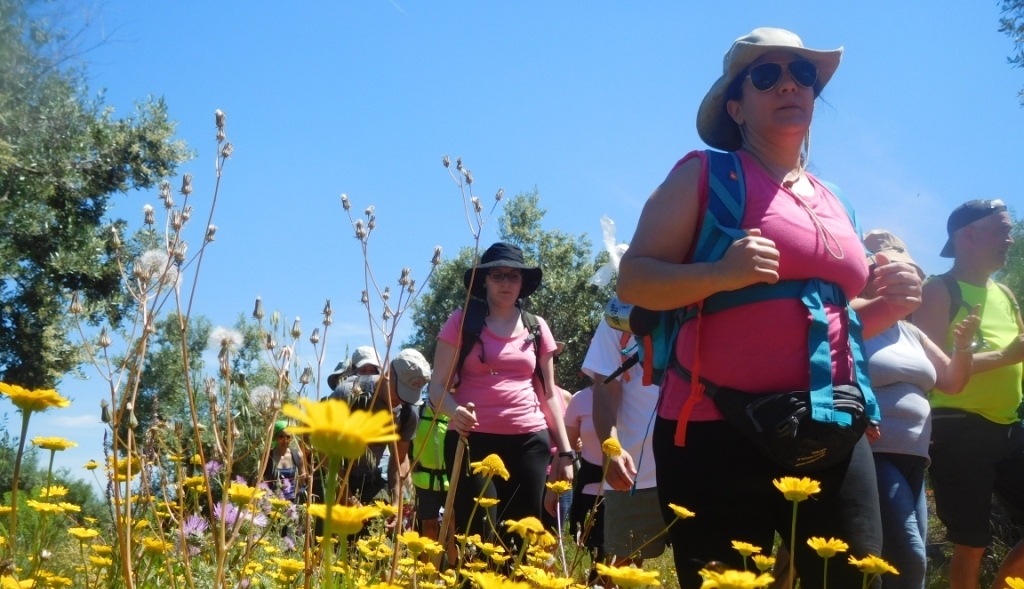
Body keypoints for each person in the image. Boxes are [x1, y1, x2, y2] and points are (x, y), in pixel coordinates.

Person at [616, 28, 922, 589]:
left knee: (853, 580)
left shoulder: (839, 201)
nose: (789, 84)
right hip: (713, 430)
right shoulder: (704, 174)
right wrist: (717, 273)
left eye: (802, 75)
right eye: (766, 75)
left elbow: (828, 320)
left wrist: (887, 305)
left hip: (832, 424)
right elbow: (634, 278)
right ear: (736, 106)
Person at [427, 242, 575, 546]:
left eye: (513, 276)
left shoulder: (537, 327)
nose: (506, 283)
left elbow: (549, 394)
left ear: (523, 283)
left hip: (529, 441)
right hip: (471, 440)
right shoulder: (462, 321)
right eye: (498, 275)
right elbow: (436, 388)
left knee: (521, 535)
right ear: (484, 280)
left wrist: (566, 452)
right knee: (476, 535)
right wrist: (455, 412)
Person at [912, 199, 1024, 589]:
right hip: (957, 429)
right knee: (970, 543)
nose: (1010, 240)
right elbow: (929, 369)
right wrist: (1006, 355)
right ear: (968, 236)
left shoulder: (1006, 294)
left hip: (1010, 425)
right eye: (1002, 230)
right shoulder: (938, 290)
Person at [860, 230, 978, 589]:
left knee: (902, 556)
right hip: (874, 451)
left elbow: (951, 381)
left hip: (915, 456)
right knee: (909, 554)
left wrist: (963, 346)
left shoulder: (911, 333)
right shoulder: (851, 318)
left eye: (908, 272)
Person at [585, 319, 666, 570]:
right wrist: (611, 448)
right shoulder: (619, 316)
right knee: (620, 569)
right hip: (633, 472)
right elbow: (605, 386)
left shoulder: (706, 299)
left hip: (704, 461)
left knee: (714, 569)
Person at [563, 385, 606, 584]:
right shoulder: (580, 399)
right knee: (595, 549)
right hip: (591, 489)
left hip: (629, 488)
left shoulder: (638, 394)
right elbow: (567, 447)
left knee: (626, 551)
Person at [264, 419, 306, 502]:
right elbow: (260, 480)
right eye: (281, 437)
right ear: (275, 438)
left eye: (288, 437)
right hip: (272, 502)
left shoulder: (297, 455)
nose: (285, 441)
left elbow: (303, 481)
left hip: (292, 504)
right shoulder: (267, 456)